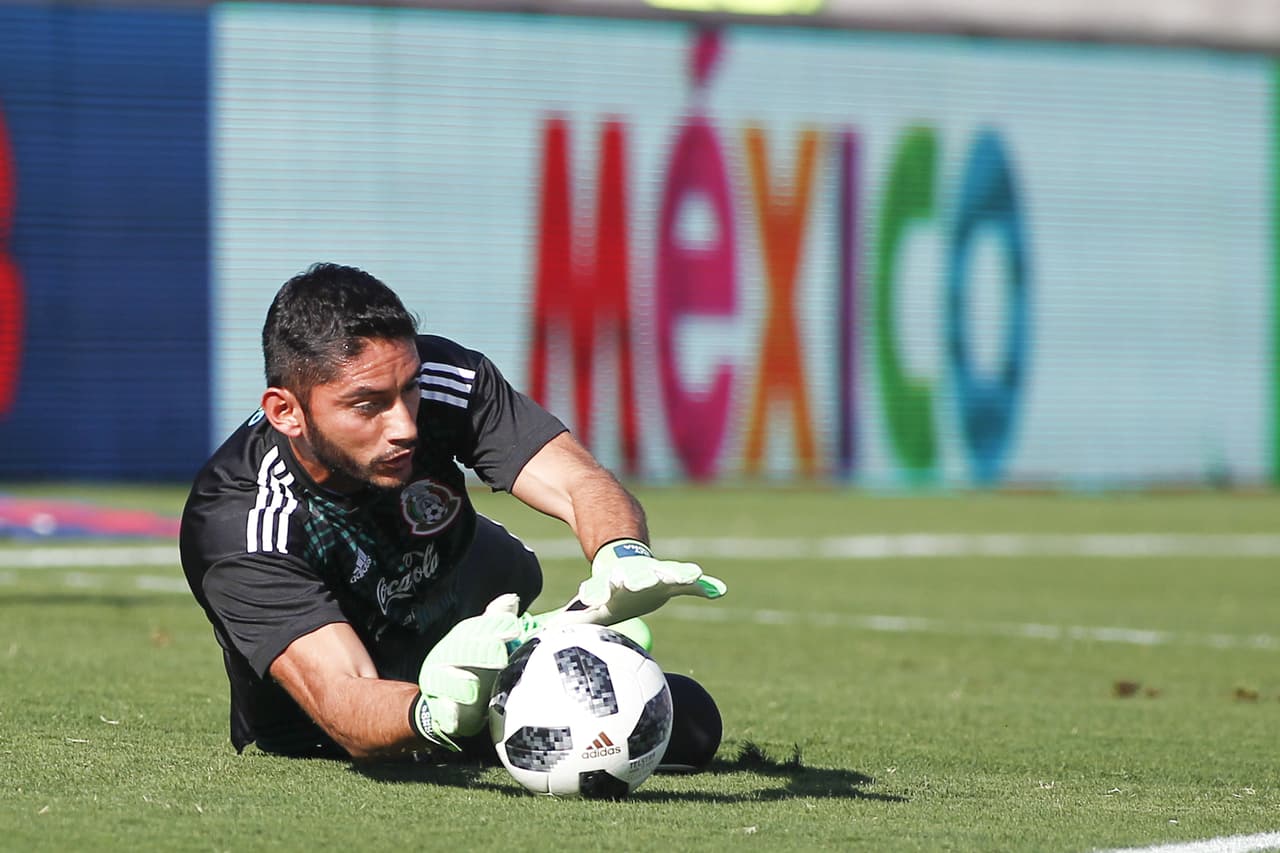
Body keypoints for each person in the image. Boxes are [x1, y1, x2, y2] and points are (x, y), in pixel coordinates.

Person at [179, 262, 725, 765]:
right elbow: (344, 698)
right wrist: (435, 712)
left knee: (693, 722)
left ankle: (523, 648)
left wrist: (620, 552)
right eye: (367, 405)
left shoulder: (438, 376)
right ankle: (492, 691)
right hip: (339, 723)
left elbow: (578, 479)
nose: (405, 425)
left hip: (456, 599)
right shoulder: (240, 522)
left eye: (409, 389)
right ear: (286, 412)